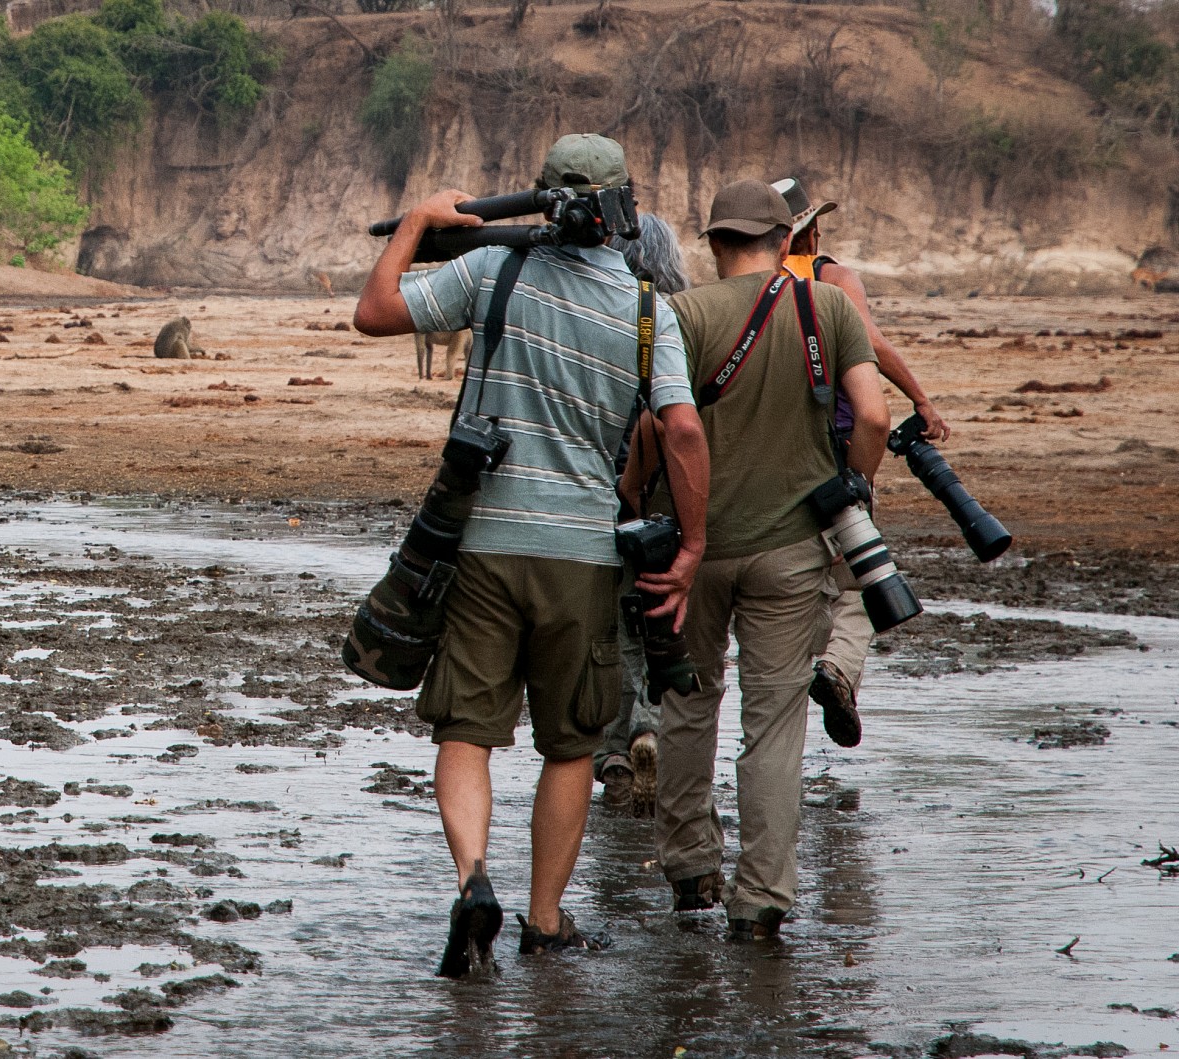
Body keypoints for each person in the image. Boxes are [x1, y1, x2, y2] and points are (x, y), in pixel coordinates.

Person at [352, 133, 710, 976]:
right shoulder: (648, 310)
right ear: (622, 210)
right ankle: (545, 921)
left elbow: (374, 311)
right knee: (572, 744)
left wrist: (416, 222)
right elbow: (683, 431)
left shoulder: (492, 271)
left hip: (482, 544)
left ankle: (474, 879)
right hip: (582, 555)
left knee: (466, 731)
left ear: (542, 196)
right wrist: (692, 544)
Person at [641, 180, 888, 940]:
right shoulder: (828, 307)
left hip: (691, 551)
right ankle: (760, 901)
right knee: (774, 725)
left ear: (714, 243)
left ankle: (690, 870)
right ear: (784, 241)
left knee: (688, 704)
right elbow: (875, 417)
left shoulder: (680, 314)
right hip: (790, 551)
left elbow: (655, 430)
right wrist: (850, 488)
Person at [769, 177, 949, 749]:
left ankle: (786, 718)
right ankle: (839, 669)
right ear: (811, 230)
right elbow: (868, 342)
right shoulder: (833, 277)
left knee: (790, 584)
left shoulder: (752, 286)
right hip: (837, 451)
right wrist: (921, 399)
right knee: (859, 580)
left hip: (770, 458)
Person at [595, 212, 693, 817]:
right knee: (661, 619)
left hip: (606, 490)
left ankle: (613, 752)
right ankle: (650, 727)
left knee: (612, 625)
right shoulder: (680, 318)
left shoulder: (600, 312)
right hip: (667, 496)